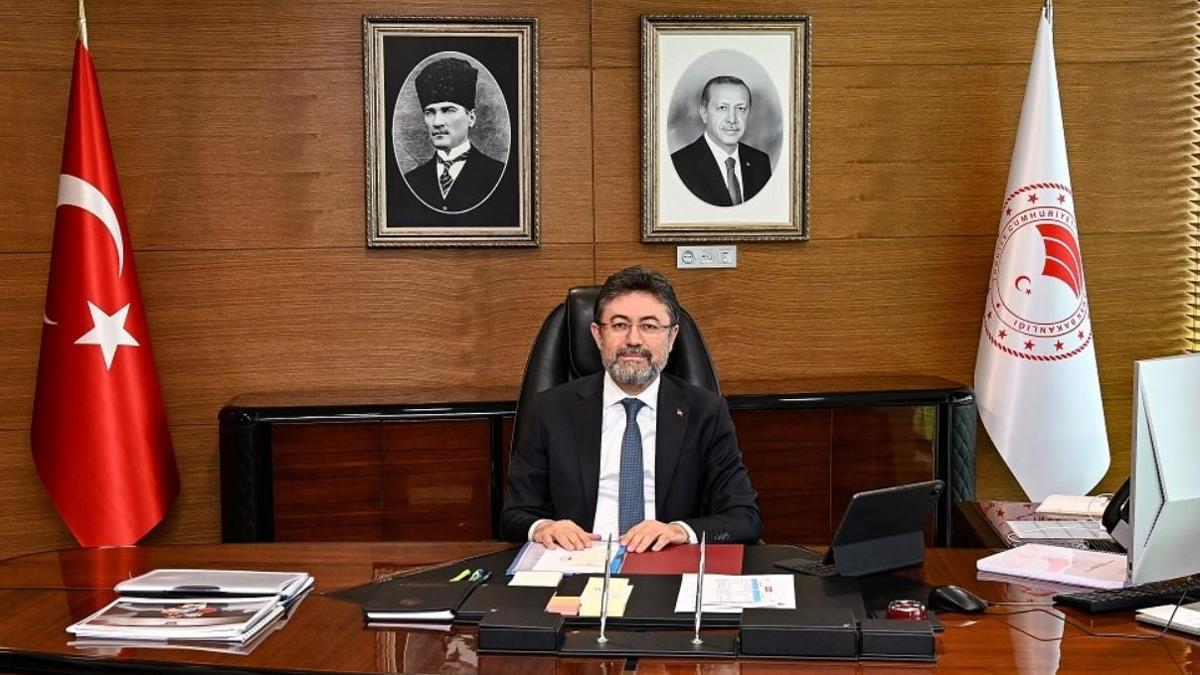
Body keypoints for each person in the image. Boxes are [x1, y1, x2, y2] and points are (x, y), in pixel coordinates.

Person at [501, 266, 763, 553]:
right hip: (576, 563)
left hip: (667, 564)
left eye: (649, 326)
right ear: (598, 335)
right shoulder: (551, 410)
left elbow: (744, 518)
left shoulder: (705, 412)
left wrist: (679, 530)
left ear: (672, 337)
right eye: (619, 325)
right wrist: (543, 527)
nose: (633, 340)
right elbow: (514, 515)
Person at [403, 56, 505, 213]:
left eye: (448, 110)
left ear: (471, 118)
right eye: (429, 112)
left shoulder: (499, 175)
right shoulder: (411, 180)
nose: (437, 122)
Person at [670, 75, 772, 207]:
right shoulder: (679, 165)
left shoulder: (760, 162)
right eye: (722, 108)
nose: (732, 119)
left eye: (740, 109)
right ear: (704, 114)